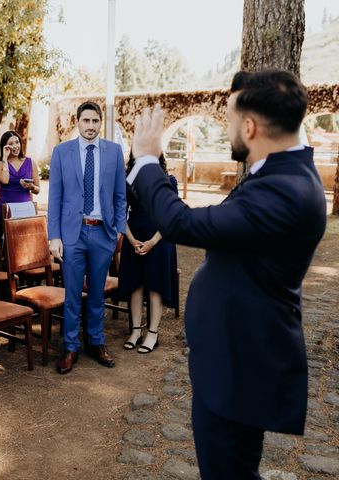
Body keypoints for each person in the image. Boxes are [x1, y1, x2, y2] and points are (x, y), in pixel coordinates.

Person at [128, 70, 327, 479]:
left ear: (250, 127)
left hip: (241, 367)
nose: (229, 130)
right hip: (230, 357)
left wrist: (148, 158)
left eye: (231, 122)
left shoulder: (285, 191)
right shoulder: (278, 175)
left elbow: (183, 224)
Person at [48, 101, 127, 374]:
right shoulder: (61, 152)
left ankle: (96, 341)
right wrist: (54, 236)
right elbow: (54, 197)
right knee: (71, 294)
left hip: (102, 233)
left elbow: (120, 195)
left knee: (96, 293)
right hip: (73, 233)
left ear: (100, 123)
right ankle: (70, 346)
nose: (91, 126)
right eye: (86, 121)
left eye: (95, 121)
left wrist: (117, 229)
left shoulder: (115, 152)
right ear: (78, 121)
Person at [119, 153, 178, 353]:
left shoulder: (168, 181)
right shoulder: (127, 181)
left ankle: (152, 333)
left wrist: (152, 242)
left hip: (159, 239)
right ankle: (136, 331)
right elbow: (120, 211)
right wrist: (131, 239)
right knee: (135, 284)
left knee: (155, 285)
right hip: (133, 237)